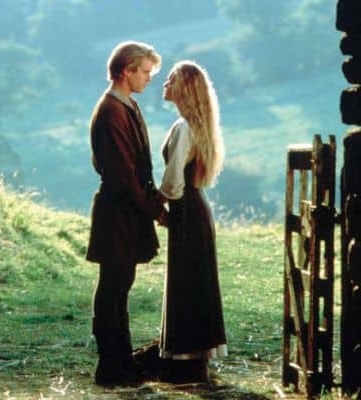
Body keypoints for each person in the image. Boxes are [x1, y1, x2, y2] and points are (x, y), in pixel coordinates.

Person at [86, 41, 166, 387]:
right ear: (126, 70)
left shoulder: (127, 105)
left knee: (121, 287)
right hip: (117, 213)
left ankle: (122, 361)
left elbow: (138, 169)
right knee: (113, 288)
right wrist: (154, 209)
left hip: (127, 212)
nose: (149, 78)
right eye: (145, 71)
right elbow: (122, 174)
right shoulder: (111, 111)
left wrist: (153, 204)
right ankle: (110, 367)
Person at [157, 60, 228, 382]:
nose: (164, 84)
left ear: (184, 88)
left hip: (186, 209)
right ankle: (194, 358)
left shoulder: (184, 128)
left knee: (187, 281)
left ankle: (186, 359)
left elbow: (173, 181)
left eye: (171, 79)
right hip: (196, 208)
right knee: (196, 280)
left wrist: (155, 205)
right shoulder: (195, 126)